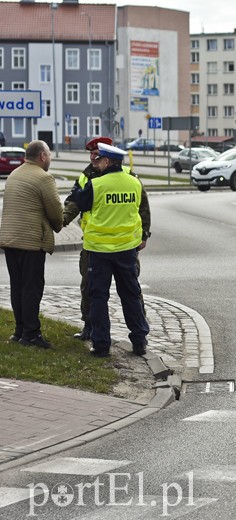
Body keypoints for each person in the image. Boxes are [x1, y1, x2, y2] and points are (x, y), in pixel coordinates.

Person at [67, 143, 149, 358]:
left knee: (98, 298)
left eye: (100, 160)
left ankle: (101, 345)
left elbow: (81, 203)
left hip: (100, 250)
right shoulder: (134, 183)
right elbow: (141, 208)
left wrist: (78, 190)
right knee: (131, 295)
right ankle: (139, 340)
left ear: (106, 161)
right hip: (126, 250)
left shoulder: (97, 184)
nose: (98, 163)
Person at [0, 140, 63, 348]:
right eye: (49, 156)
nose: (50, 159)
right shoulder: (44, 178)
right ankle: (32, 334)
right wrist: (59, 224)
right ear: (42, 157)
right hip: (31, 242)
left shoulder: (14, 175)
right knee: (32, 288)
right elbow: (55, 213)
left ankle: (19, 331)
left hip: (10, 240)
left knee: (17, 287)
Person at [63, 136, 113, 340]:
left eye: (96, 154)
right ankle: (89, 326)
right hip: (93, 243)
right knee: (89, 287)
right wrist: (61, 221)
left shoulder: (126, 176)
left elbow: (141, 206)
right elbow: (73, 202)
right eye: (91, 154)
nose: (92, 158)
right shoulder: (86, 176)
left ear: (107, 157)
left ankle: (139, 332)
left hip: (123, 243)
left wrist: (144, 233)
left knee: (131, 290)